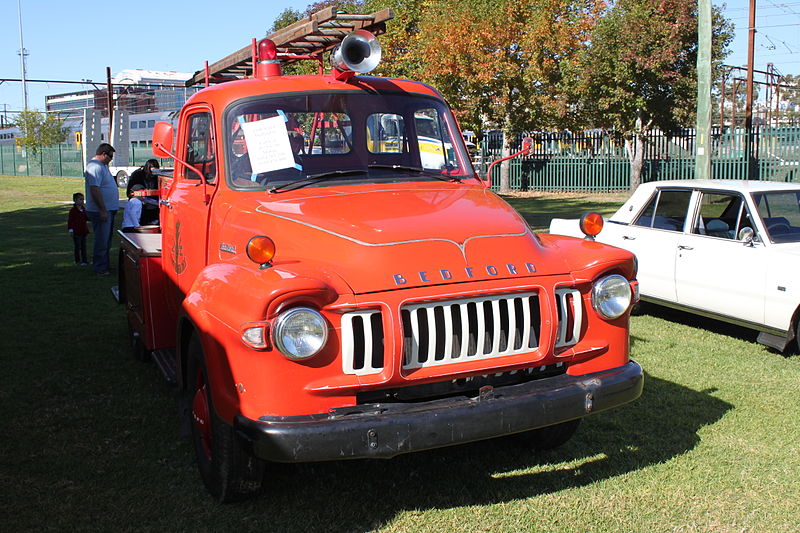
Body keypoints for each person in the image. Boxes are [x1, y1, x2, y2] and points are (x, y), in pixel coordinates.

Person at [84, 143, 119, 275]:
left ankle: (105, 264)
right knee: (102, 240)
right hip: (101, 211)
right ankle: (100, 267)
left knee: (107, 240)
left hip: (109, 209)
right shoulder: (94, 167)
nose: (111, 159)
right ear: (104, 154)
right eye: (110, 156)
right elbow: (95, 189)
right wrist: (102, 209)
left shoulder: (103, 166)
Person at [126, 159, 160, 226]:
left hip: (152, 201)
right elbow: (131, 191)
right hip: (140, 200)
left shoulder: (156, 177)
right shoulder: (137, 175)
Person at [67, 192, 90, 265]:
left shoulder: (83, 209)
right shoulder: (73, 211)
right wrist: (71, 230)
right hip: (76, 232)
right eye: (80, 199)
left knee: (84, 247)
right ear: (75, 200)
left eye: (83, 199)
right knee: (77, 247)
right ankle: (78, 261)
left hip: (84, 231)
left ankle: (85, 260)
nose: (82, 201)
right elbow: (70, 221)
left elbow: (86, 218)